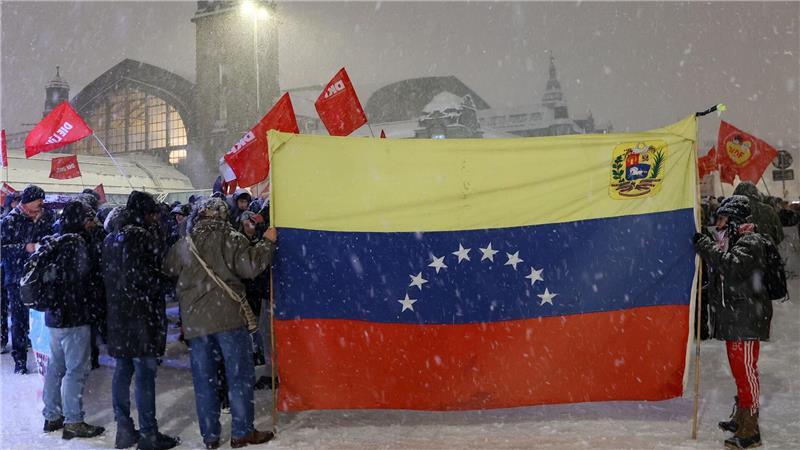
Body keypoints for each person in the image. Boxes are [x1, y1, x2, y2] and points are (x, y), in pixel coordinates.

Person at [165, 197, 276, 449]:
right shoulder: (231, 237)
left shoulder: (185, 242)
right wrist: (267, 242)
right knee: (238, 377)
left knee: (204, 381)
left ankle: (211, 437)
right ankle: (241, 432)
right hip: (228, 319)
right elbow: (250, 267)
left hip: (196, 324)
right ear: (223, 215)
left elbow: (169, 268)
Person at [693, 195, 773, 449]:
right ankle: (742, 417)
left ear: (736, 219)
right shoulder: (735, 241)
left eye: (724, 218)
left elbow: (732, 267)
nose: (719, 223)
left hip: (746, 318)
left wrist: (705, 247)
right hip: (735, 316)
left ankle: (751, 428)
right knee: (739, 371)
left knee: (746, 371)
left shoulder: (751, 241)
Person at [103, 191, 180, 450]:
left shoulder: (112, 238)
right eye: (152, 213)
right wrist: (167, 280)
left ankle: (124, 427)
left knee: (122, 372)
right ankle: (148, 433)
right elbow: (148, 278)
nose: (156, 217)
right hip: (141, 318)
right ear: (144, 214)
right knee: (145, 375)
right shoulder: (142, 238)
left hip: (118, 317)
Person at [40, 201, 106, 439]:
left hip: (55, 315)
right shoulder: (78, 244)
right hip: (74, 316)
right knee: (76, 369)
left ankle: (51, 415)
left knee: (56, 366)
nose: (92, 223)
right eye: (88, 218)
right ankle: (74, 420)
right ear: (80, 219)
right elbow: (82, 281)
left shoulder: (56, 239)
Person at [0, 185, 56, 373]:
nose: (42, 204)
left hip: (40, 277)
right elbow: (2, 249)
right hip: (17, 278)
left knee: (41, 317)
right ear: (27, 201)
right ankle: (20, 360)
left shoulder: (46, 217)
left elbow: (50, 238)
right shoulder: (10, 221)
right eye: (39, 200)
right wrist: (26, 248)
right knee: (19, 319)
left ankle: (44, 356)